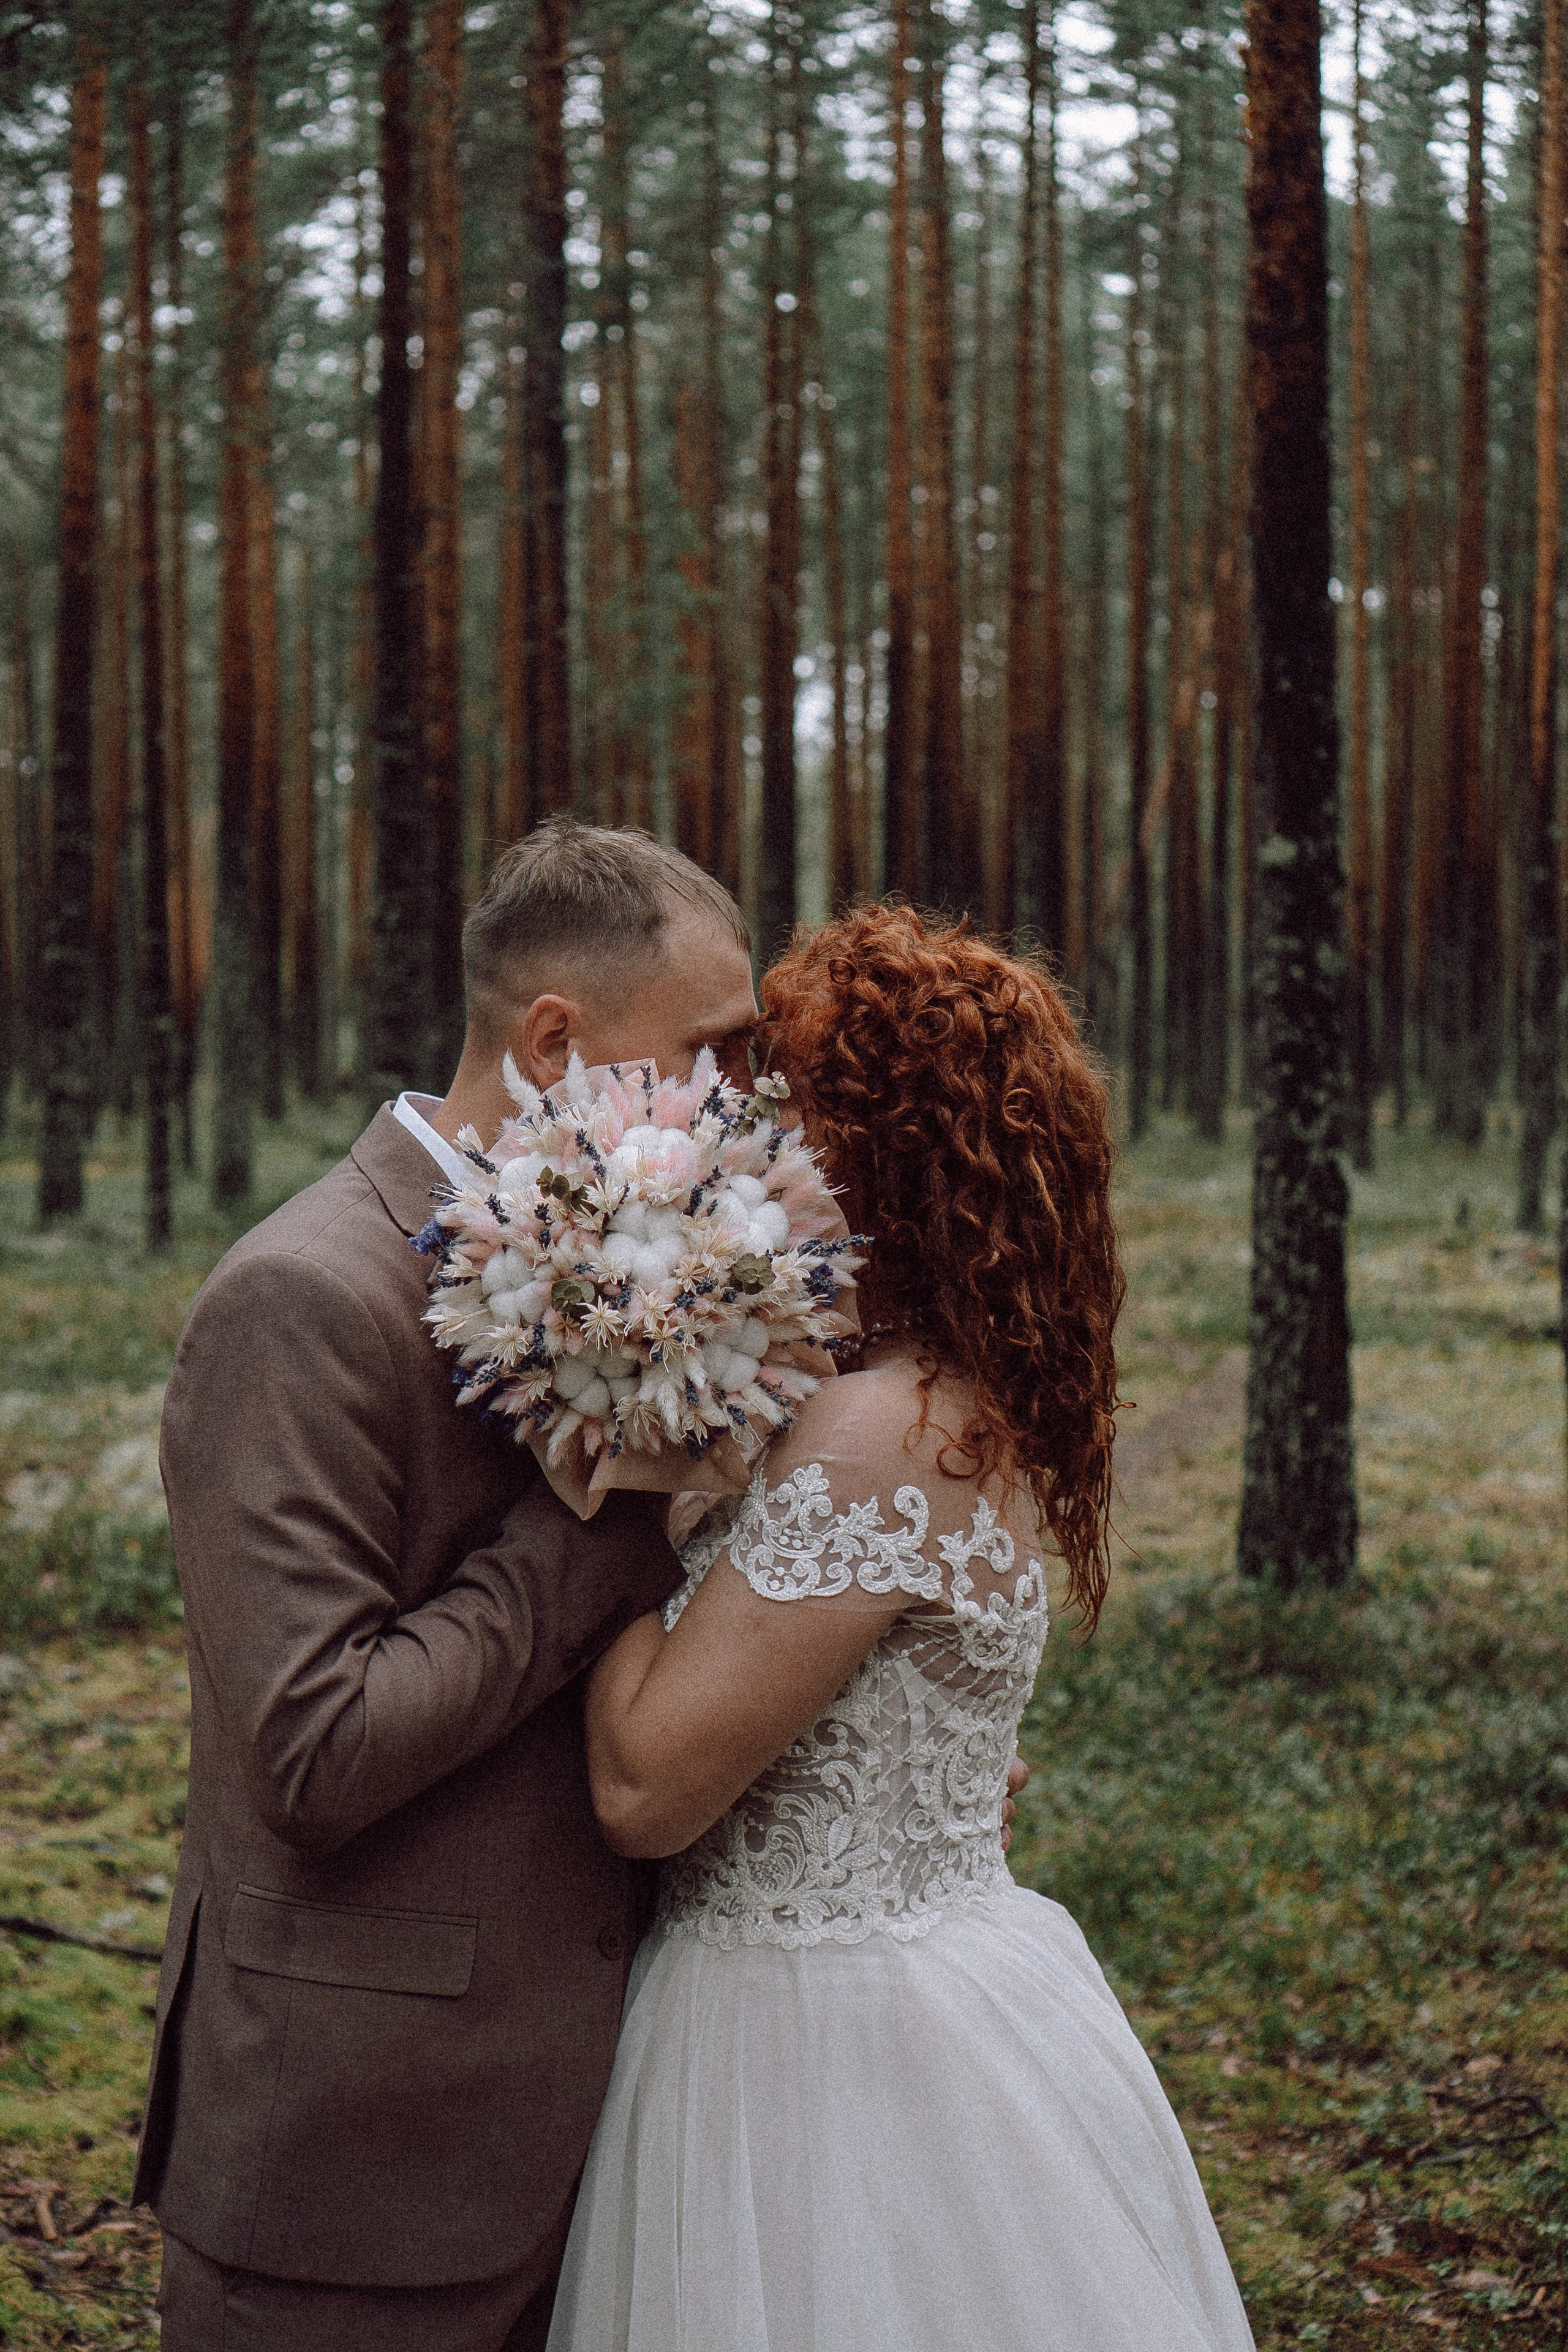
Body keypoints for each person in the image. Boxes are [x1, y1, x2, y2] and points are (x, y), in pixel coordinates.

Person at [548, 903, 1256, 2352]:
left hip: (819, 2048)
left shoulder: (877, 1430)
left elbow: (639, 1787)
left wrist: (605, 1496)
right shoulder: (922, 1401)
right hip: (921, 1983)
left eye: (791, 1116)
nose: (751, 1152)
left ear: (881, 1157)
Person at [140, 821, 761, 2352]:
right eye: (705, 1055)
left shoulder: (644, 1269)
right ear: (555, 1042)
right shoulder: (301, 1299)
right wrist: (604, 1533)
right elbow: (314, 1748)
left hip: (606, 2146)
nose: (732, 1105)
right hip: (356, 2179)